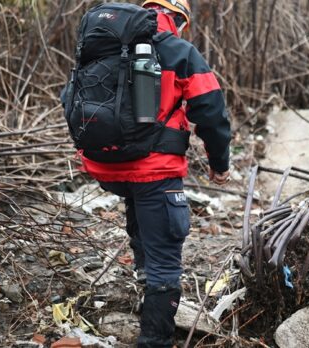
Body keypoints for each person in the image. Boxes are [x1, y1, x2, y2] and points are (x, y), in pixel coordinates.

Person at [75, 1, 231, 346]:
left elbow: (72, 96)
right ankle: (154, 339)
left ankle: (145, 286)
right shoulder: (177, 50)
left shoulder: (103, 43)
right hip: (155, 170)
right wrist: (219, 164)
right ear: (178, 18)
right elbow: (212, 111)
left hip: (106, 167)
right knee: (166, 260)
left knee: (139, 208)